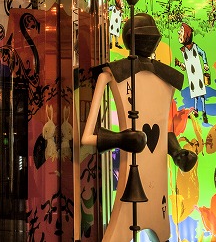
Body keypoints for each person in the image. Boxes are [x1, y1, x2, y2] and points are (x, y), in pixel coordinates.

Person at [82, 13, 196, 242]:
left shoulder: (166, 80)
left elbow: (162, 132)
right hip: (129, 191)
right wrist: (121, 139)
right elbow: (87, 138)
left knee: (160, 232)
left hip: (157, 190)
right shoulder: (111, 74)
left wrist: (177, 152)